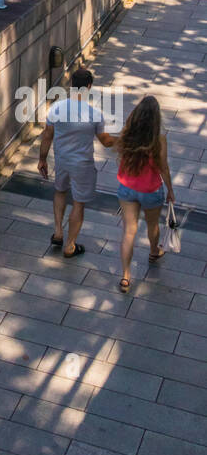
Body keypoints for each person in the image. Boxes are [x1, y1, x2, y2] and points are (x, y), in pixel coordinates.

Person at [38, 66, 117, 258]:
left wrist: (42, 159)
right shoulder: (94, 114)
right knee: (79, 203)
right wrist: (125, 138)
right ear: (89, 86)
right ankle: (70, 245)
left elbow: (48, 135)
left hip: (62, 160)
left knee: (60, 191)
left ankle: (58, 231)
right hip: (82, 164)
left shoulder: (56, 108)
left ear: (72, 85)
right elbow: (106, 142)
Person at [115, 95, 174, 292]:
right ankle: (153, 251)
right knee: (152, 226)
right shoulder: (159, 140)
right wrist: (170, 191)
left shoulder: (128, 134)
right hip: (150, 190)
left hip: (127, 188)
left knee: (129, 232)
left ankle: (125, 277)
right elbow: (163, 168)